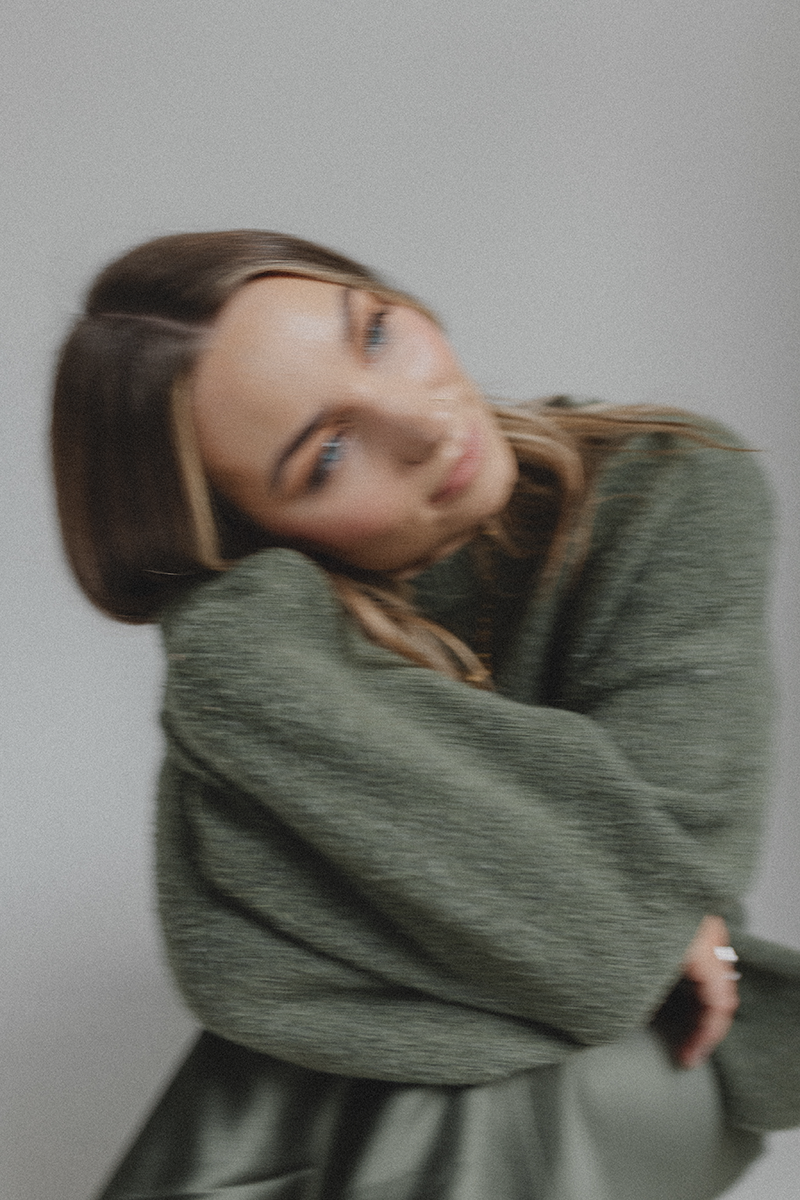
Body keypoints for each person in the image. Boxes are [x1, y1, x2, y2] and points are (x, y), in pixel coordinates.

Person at [51, 231, 800, 1200]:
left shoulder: (669, 485)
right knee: (398, 1093)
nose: (419, 422)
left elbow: (666, 884)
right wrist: (231, 637)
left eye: (371, 335)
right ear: (246, 541)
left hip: (662, 1046)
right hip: (395, 1074)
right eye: (323, 455)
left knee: (450, 1094)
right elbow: (238, 964)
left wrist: (427, 927)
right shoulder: (258, 643)